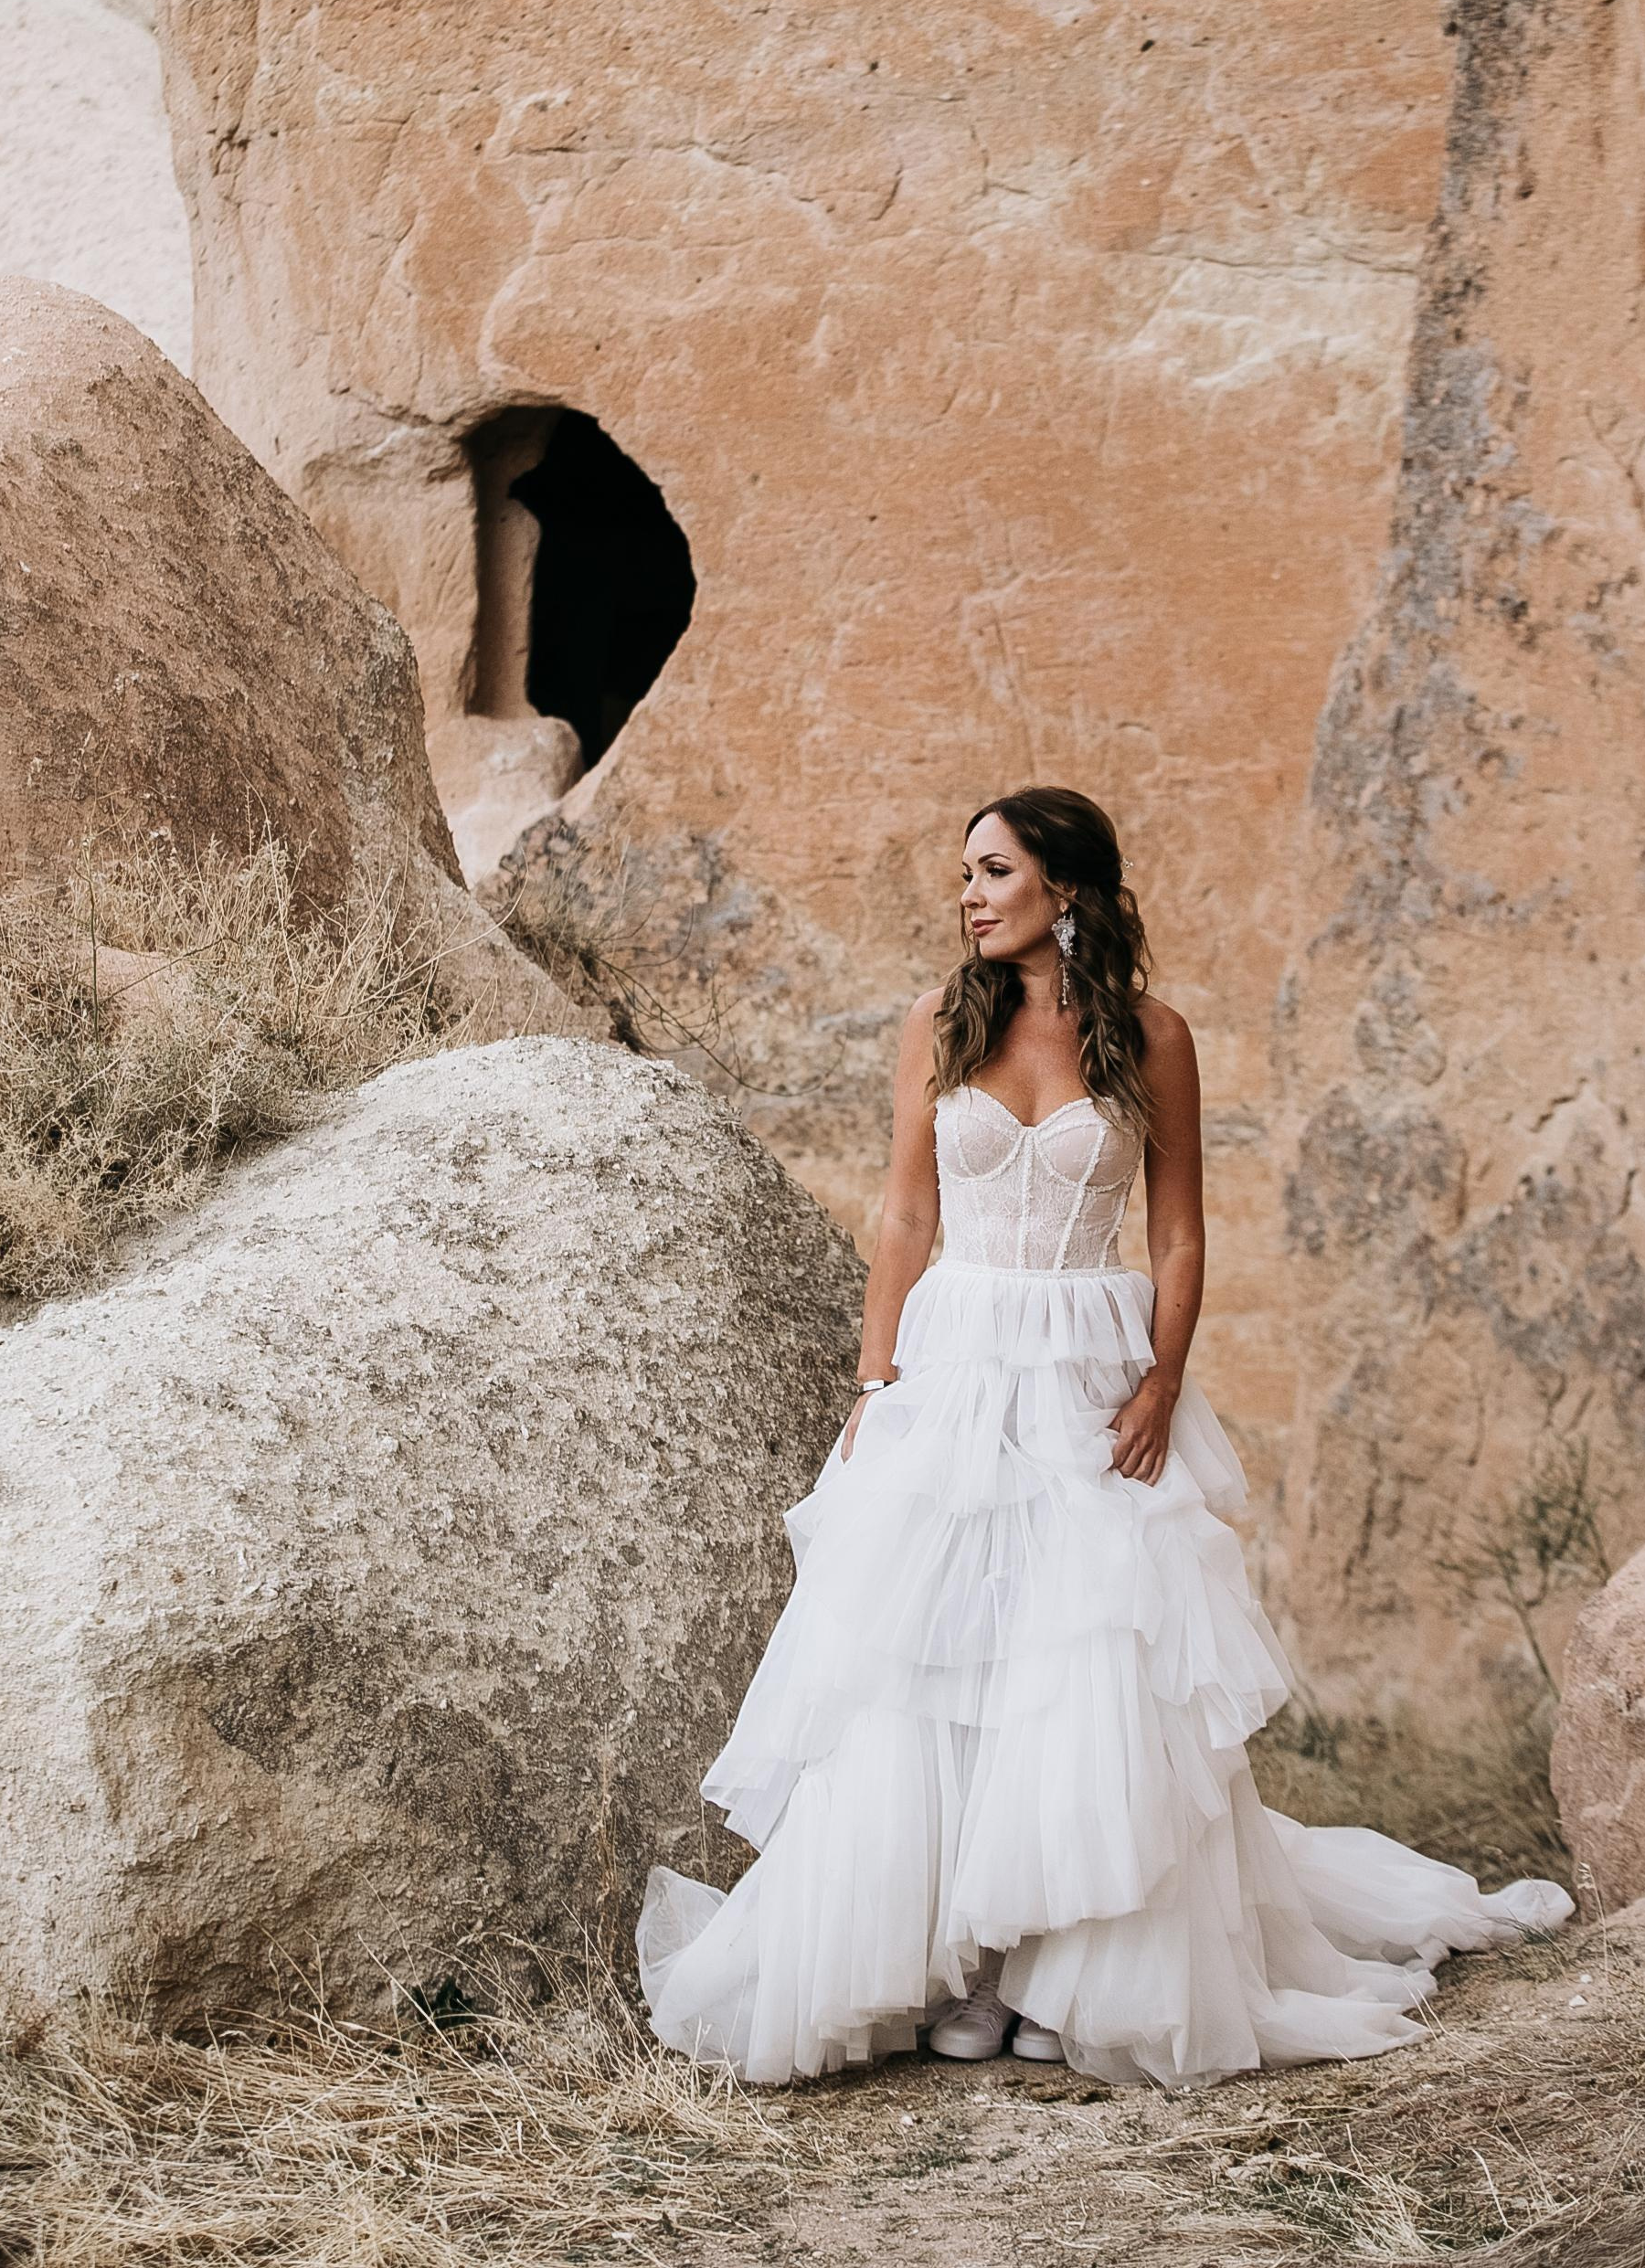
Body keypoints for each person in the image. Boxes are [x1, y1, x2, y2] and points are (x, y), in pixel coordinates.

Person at [637, 785, 1569, 2087]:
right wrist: (873, 1386)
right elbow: (906, 1222)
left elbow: (1180, 1233)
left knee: (1079, 1671)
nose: (969, 894)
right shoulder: (937, 1024)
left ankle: (1055, 1976)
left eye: (994, 871)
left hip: (1092, 1366)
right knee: (929, 1660)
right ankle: (946, 1969)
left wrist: (1161, 1382)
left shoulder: (1152, 1037)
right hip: (957, 1368)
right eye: (966, 873)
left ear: (1063, 890)